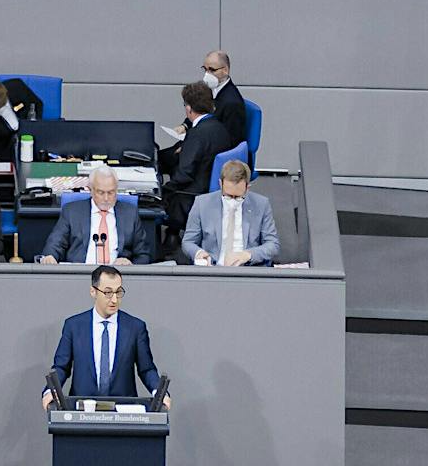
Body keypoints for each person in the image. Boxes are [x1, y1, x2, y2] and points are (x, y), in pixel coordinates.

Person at [43, 266, 168, 409]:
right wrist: (50, 391)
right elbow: (61, 367)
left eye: (118, 292)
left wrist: (159, 393)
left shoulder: (135, 327)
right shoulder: (74, 326)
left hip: (123, 412)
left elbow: (147, 369)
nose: (114, 299)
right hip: (83, 410)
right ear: (93, 292)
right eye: (108, 292)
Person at [159, 82, 233, 248]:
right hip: (208, 188)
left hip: (191, 195)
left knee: (153, 199)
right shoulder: (220, 129)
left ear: (188, 108)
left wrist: (161, 190)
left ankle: (166, 244)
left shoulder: (197, 135)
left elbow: (184, 174)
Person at [38, 164, 145, 267]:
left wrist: (130, 265)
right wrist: (50, 256)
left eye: (111, 192)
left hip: (116, 276)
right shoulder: (72, 211)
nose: (106, 198)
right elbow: (55, 243)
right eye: (101, 192)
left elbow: (143, 254)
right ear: (90, 190)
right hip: (81, 274)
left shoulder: (130, 213)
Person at [182, 160, 279, 267]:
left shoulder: (261, 204)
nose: (232, 202)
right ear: (220, 184)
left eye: (237, 197)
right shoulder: (202, 203)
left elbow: (272, 245)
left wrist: (248, 255)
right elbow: (188, 242)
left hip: (249, 269)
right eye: (228, 196)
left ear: (247, 188)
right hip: (213, 269)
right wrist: (199, 253)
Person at [201, 49, 248, 152]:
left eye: (212, 70)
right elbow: (199, 111)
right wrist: (185, 126)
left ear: (225, 70)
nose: (207, 75)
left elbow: (231, 141)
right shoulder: (209, 90)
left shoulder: (232, 103)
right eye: (205, 69)